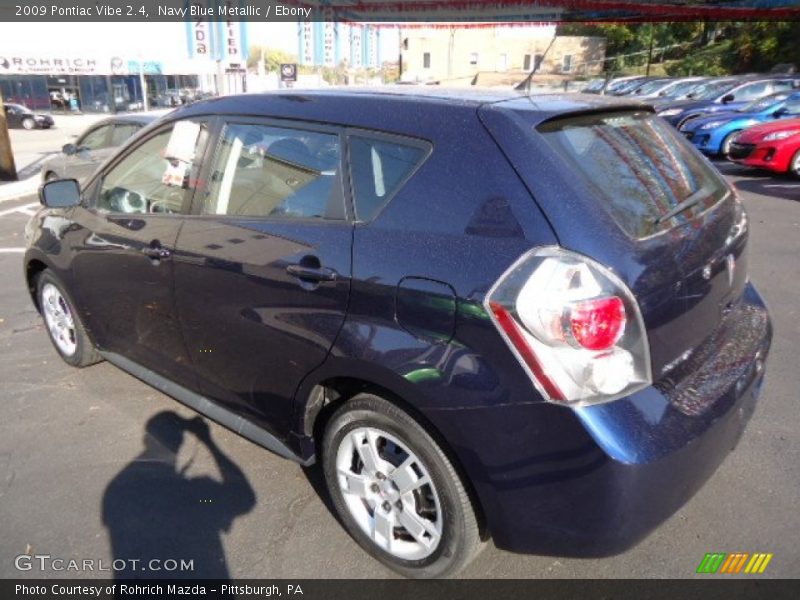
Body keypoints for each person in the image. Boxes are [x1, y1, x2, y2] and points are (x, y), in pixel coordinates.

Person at [102, 411, 256, 580]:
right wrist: (209, 442)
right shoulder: (192, 493)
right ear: (181, 441)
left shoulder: (118, 488)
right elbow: (243, 498)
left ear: (147, 440)